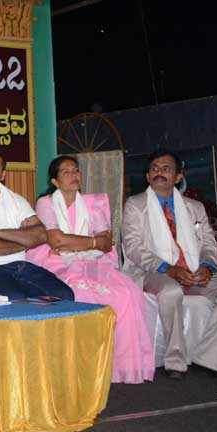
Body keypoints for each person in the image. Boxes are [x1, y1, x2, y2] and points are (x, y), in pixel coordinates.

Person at [122, 150, 217, 381]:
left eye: (166, 169)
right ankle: (175, 361)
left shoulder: (195, 207)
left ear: (178, 177)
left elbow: (209, 244)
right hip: (153, 270)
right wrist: (169, 269)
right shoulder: (135, 204)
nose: (159, 173)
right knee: (171, 290)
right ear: (148, 176)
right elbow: (133, 247)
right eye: (154, 169)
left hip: (194, 269)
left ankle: (212, 358)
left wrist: (207, 266)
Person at [26, 155, 154, 383]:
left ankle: (120, 366)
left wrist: (75, 243)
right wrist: (91, 242)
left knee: (128, 293)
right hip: (56, 262)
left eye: (76, 170)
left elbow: (105, 241)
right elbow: (56, 240)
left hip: (93, 262)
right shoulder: (46, 203)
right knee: (80, 294)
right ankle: (83, 368)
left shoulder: (93, 203)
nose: (74, 175)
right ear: (55, 181)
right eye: (66, 172)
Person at [0, 147, 74, 301]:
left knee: (65, 295)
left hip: (20, 265)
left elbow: (41, 234)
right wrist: (24, 241)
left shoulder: (16, 200)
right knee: (16, 300)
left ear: (3, 174)